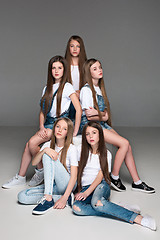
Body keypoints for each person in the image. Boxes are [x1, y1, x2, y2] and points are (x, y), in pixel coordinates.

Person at [2, 56, 81, 189]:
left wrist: (75, 131)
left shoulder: (67, 87)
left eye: (59, 68)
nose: (56, 71)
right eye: (53, 68)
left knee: (32, 143)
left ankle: (40, 171)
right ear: (50, 70)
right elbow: (42, 112)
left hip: (59, 122)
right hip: (48, 123)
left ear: (64, 70)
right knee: (28, 145)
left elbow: (78, 110)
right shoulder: (46, 88)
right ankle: (21, 177)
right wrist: (41, 127)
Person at [79, 58, 155, 193]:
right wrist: (103, 114)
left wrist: (100, 114)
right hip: (91, 125)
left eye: (100, 67)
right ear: (89, 73)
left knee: (128, 147)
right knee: (124, 143)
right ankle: (114, 177)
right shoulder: (86, 90)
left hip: (101, 123)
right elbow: (89, 116)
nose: (99, 70)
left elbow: (105, 114)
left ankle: (137, 182)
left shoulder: (99, 88)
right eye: (95, 69)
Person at [72, 121, 156, 231]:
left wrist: (87, 193)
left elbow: (99, 177)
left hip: (100, 186)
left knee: (97, 203)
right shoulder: (80, 150)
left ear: (100, 135)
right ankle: (119, 208)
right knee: (77, 208)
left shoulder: (106, 154)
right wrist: (78, 190)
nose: (91, 136)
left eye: (94, 132)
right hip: (85, 188)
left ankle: (138, 218)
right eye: (87, 134)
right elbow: (76, 172)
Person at [18, 117, 78, 215]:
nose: (59, 130)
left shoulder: (72, 149)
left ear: (68, 132)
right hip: (53, 186)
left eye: (64, 129)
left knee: (47, 154)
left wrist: (65, 195)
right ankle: (64, 198)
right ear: (54, 128)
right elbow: (34, 163)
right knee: (22, 196)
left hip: (67, 184)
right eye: (58, 126)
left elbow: (74, 176)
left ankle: (48, 199)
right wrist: (44, 151)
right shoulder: (48, 144)